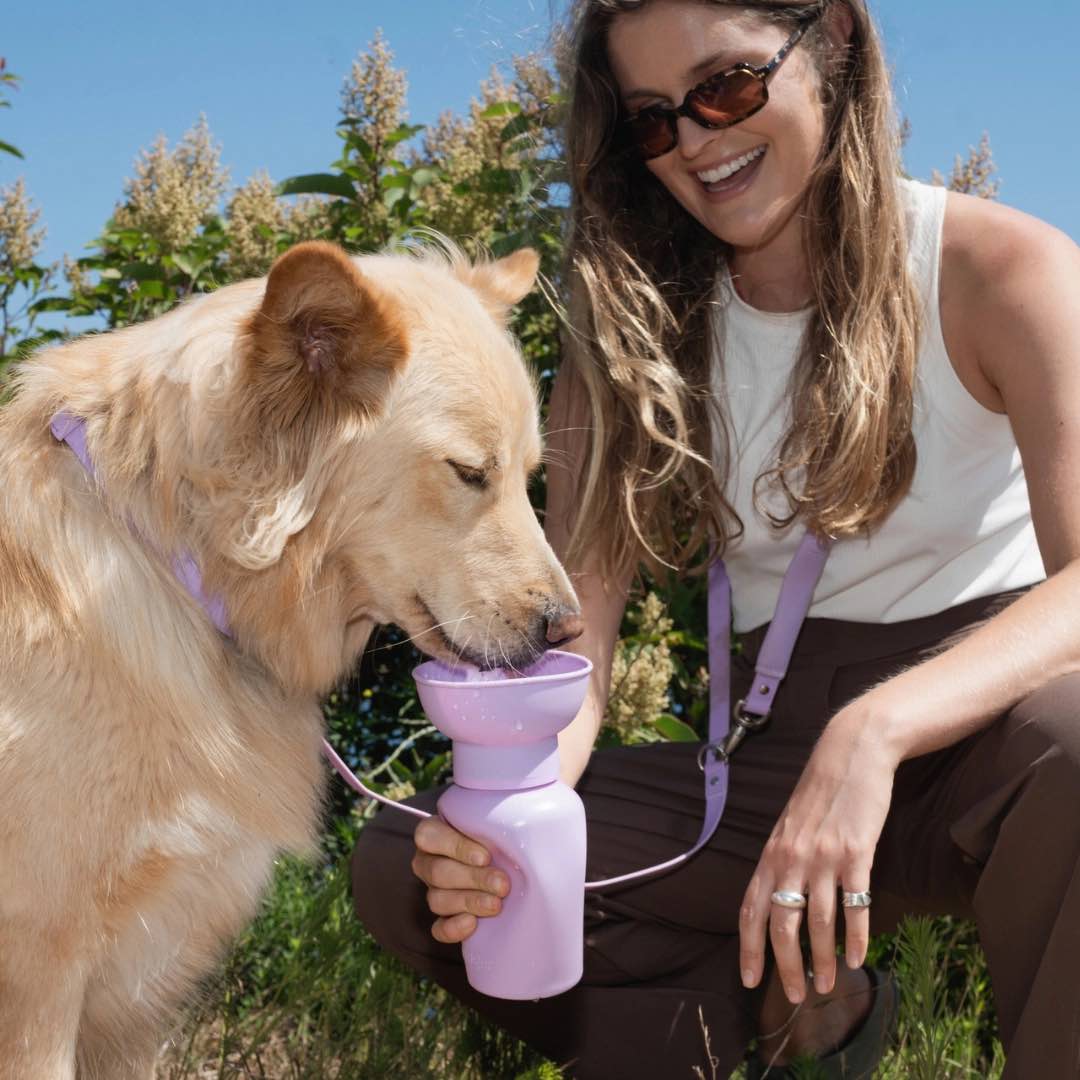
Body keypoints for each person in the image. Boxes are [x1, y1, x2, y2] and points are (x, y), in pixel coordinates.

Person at [351, 1, 1080, 1076]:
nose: (696, 140)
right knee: (405, 864)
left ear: (829, 41)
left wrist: (874, 732)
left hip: (1001, 730)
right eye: (652, 120)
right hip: (765, 758)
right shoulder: (626, 335)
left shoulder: (1001, 269)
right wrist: (509, 819)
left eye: (728, 86)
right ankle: (797, 1020)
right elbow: (577, 661)